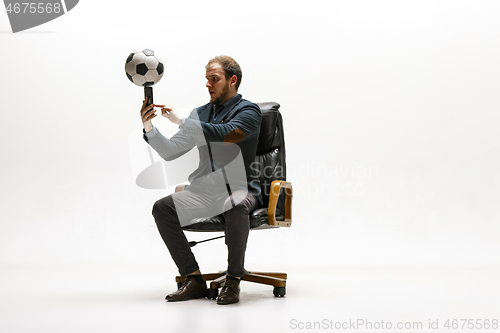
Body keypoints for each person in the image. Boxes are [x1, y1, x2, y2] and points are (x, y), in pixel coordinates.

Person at [140, 56, 262, 305]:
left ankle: (234, 279)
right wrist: (149, 127)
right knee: (163, 208)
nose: (208, 84)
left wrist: (183, 122)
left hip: (238, 189)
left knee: (236, 204)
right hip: (204, 191)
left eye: (214, 79)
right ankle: (193, 279)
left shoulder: (249, 111)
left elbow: (227, 135)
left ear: (233, 80)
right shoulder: (201, 114)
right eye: (206, 79)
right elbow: (171, 150)